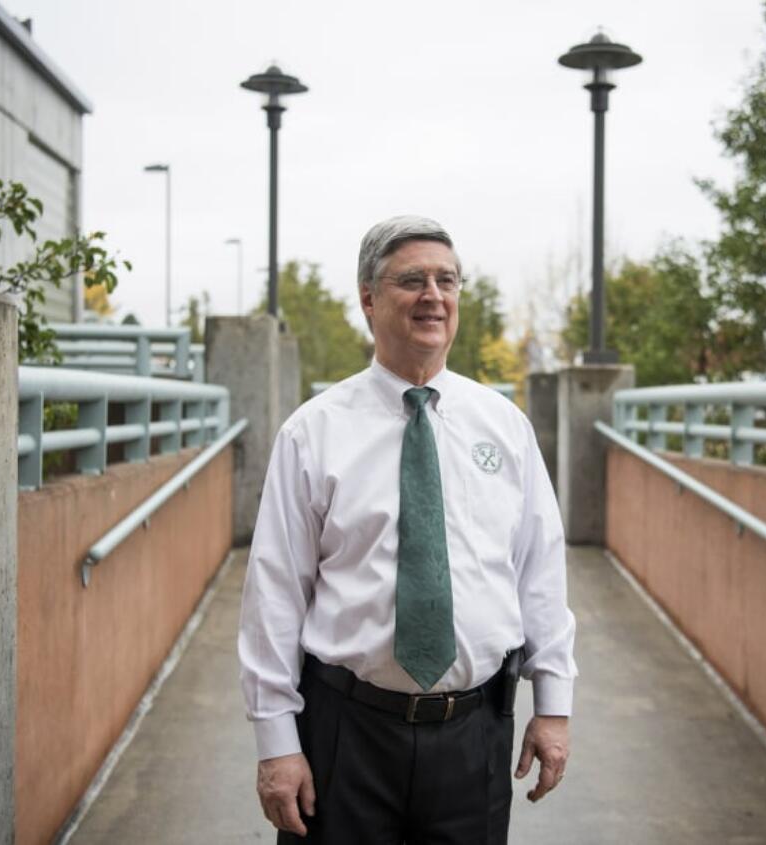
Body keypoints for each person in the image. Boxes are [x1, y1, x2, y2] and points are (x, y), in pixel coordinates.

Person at [238, 215, 576, 844]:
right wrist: (276, 743)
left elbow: (540, 572)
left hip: (475, 733)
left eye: (447, 280)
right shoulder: (313, 433)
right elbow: (275, 593)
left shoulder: (504, 427)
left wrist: (552, 705)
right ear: (368, 298)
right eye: (412, 280)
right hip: (345, 734)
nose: (434, 295)